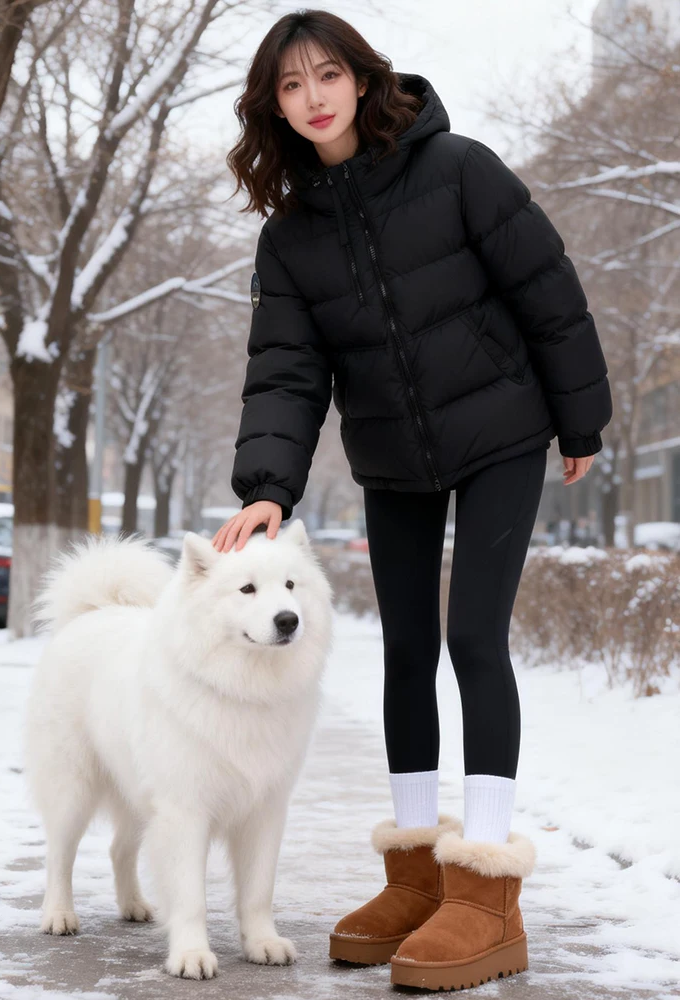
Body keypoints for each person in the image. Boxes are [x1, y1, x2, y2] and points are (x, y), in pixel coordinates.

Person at [213, 9, 612, 990]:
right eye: (291, 84)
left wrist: (581, 420)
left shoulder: (460, 169)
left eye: (327, 75)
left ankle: (485, 894)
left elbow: (546, 289)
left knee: (474, 637)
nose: (312, 96)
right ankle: (416, 880)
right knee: (403, 649)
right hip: (392, 457)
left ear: (361, 78)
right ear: (275, 104)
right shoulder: (290, 240)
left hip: (503, 435)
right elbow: (286, 375)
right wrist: (268, 488)